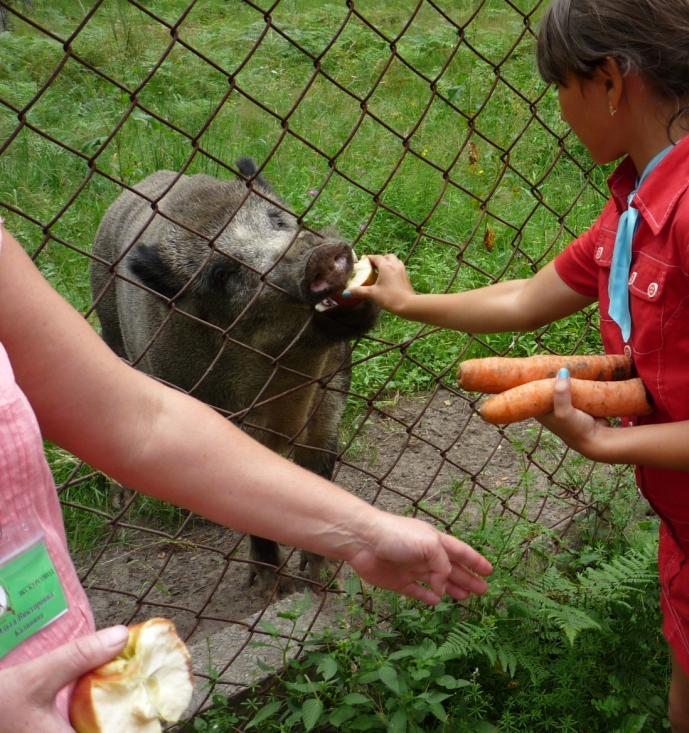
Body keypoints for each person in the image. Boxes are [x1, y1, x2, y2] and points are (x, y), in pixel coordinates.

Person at [349, 0, 689, 729]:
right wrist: (407, 301)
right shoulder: (644, 200)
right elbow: (530, 297)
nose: (558, 109)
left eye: (560, 87)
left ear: (609, 81)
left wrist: (604, 443)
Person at [0, 220, 493, 733]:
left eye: (280, 222)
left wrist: (362, 530)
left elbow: (143, 422)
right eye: (226, 273)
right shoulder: (178, 329)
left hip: (56, 646)